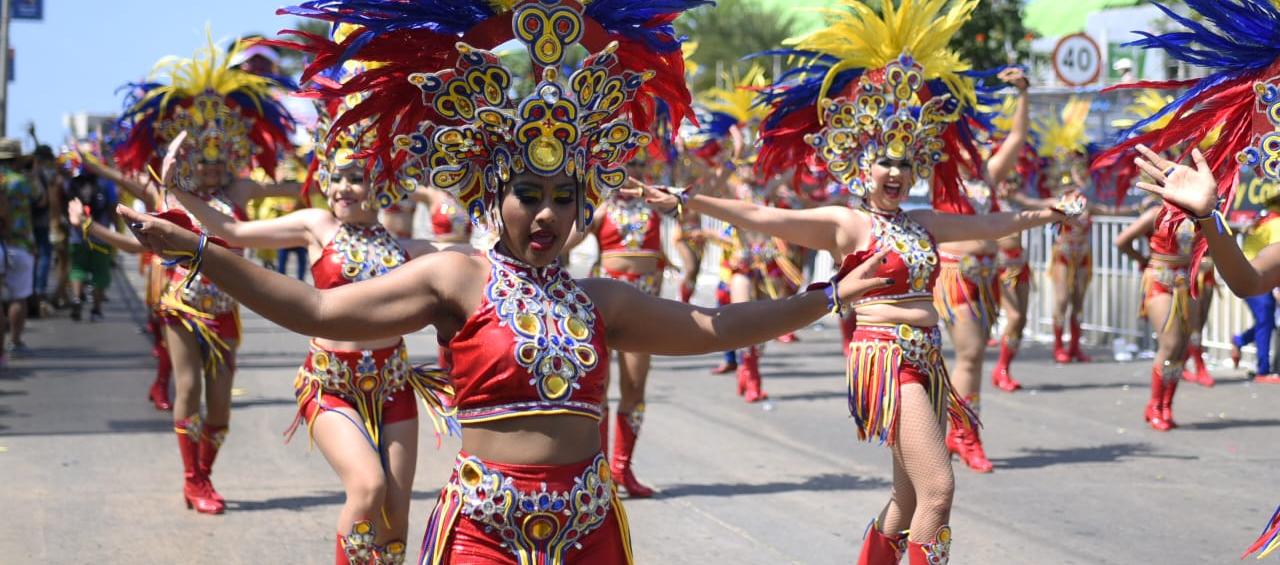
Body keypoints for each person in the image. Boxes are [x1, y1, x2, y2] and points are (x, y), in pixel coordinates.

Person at [125, 2, 894, 561]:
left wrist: (828, 295)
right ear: (495, 194)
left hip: (591, 528)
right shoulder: (454, 276)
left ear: (587, 210)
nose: (547, 213)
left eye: (567, 198)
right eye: (530, 192)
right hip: (485, 531)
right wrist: (201, 251)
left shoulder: (601, 301)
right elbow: (317, 305)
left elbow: (711, 328)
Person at [642, 1, 1084, 560]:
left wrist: (1050, 213)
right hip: (887, 357)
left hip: (927, 357)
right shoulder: (847, 223)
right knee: (939, 491)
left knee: (905, 499)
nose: (896, 172)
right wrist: (689, 199)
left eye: (904, 162)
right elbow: (766, 219)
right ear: (861, 165)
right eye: (884, 162)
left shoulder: (921, 222)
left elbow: (991, 223)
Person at [84, 37, 297, 516]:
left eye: (221, 155)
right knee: (190, 390)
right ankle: (194, 479)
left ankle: (204, 469)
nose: (213, 164)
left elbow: (297, 186)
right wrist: (95, 227)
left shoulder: (239, 188)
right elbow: (145, 233)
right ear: (189, 159)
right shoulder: (173, 195)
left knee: (220, 409)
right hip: (182, 306)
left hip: (226, 310)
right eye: (202, 156)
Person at [930, 67, 1030, 474]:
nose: (975, 148)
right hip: (957, 277)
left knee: (970, 360)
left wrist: (1023, 93)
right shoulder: (943, 174)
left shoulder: (988, 176)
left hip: (988, 276)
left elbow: (1019, 138)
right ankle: (966, 435)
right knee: (970, 355)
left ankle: (958, 432)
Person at [1230, 198, 1280, 382]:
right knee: (1266, 321)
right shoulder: (1276, 222)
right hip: (1257, 277)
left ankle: (1240, 340)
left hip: (1250, 274)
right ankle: (1263, 371)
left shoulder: (1266, 218)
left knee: (1266, 322)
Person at [64, 172, 116, 321]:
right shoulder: (107, 183)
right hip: (101, 235)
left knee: (77, 268)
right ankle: (96, 309)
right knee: (100, 273)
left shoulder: (72, 182)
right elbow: (113, 208)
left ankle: (76, 299)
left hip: (77, 235)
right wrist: (116, 230)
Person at [0, 138, 35, 354]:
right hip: (20, 242)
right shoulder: (20, 181)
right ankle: (15, 339)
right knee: (18, 297)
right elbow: (40, 200)